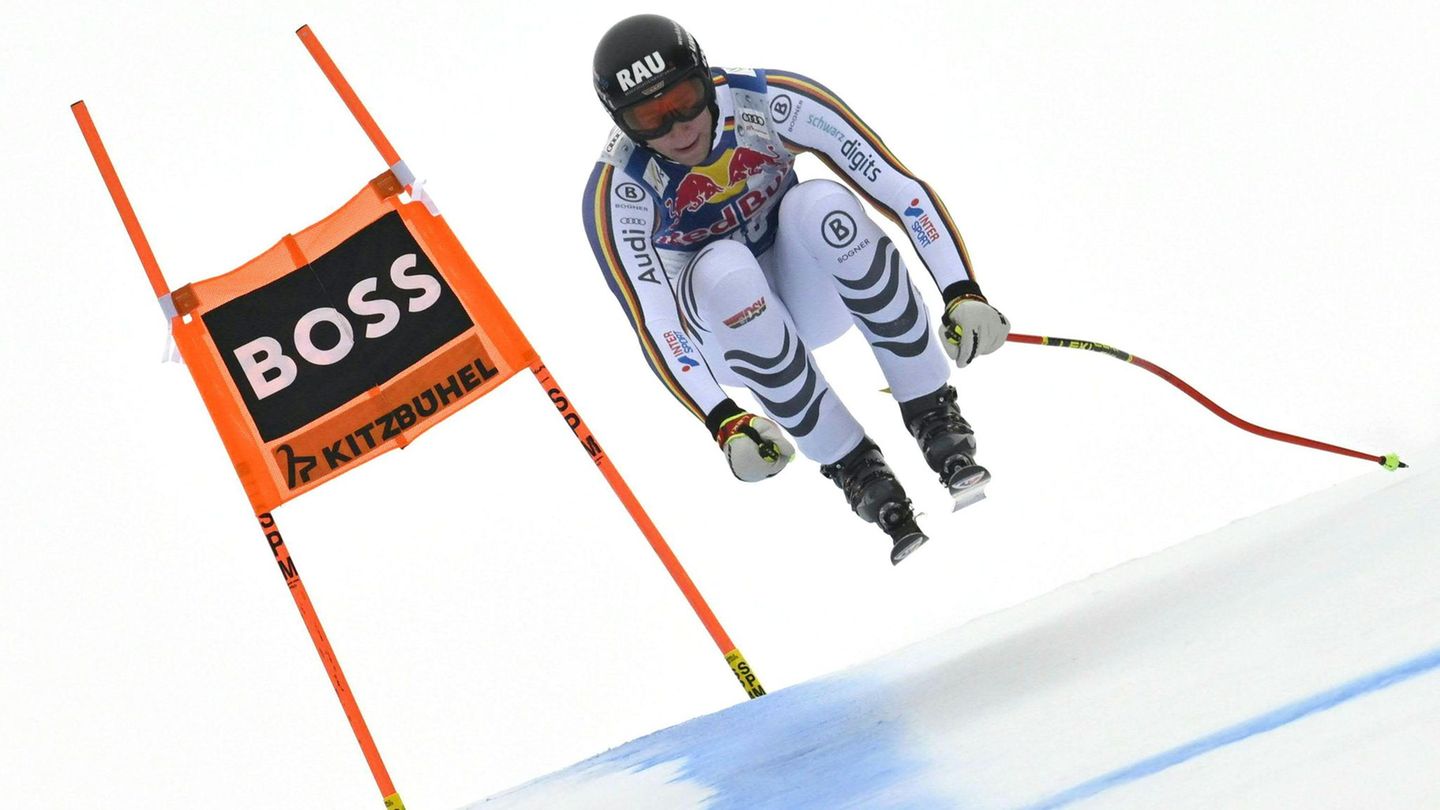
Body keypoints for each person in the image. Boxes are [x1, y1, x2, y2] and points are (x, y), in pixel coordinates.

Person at [581, 14, 1009, 564]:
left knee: (821, 203)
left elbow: (900, 190)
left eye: (686, 100)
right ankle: (854, 467)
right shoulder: (621, 188)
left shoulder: (768, 101)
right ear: (622, 124)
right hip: (728, 331)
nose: (680, 129)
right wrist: (722, 418)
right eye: (650, 119)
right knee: (724, 267)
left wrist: (961, 290)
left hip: (814, 293)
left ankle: (933, 412)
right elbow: (655, 321)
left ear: (706, 76)